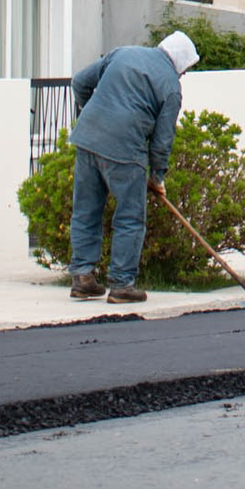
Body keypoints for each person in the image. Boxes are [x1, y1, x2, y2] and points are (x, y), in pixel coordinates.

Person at [67, 31, 199, 302]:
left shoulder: (123, 53)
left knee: (86, 210)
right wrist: (157, 177)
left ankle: (82, 278)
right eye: (186, 69)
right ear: (181, 62)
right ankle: (122, 285)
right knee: (130, 218)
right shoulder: (172, 87)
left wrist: (93, 113)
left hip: (88, 139)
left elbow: (79, 82)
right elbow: (162, 141)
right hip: (125, 151)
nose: (184, 74)